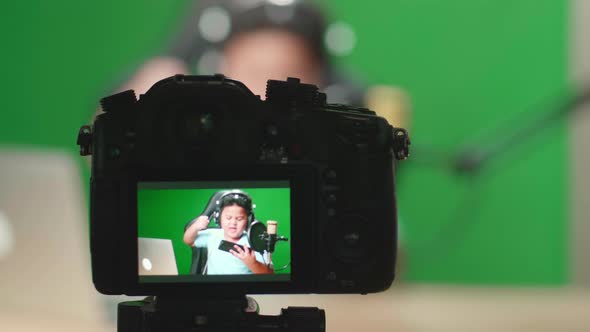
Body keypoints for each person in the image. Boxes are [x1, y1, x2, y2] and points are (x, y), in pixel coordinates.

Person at [183, 190, 273, 275]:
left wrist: (253, 263)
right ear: (218, 218)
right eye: (228, 218)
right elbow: (188, 241)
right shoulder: (212, 235)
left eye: (239, 219)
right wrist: (195, 227)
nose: (233, 223)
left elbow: (270, 274)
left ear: (248, 220)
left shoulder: (254, 242)